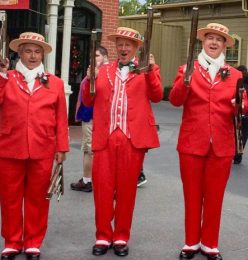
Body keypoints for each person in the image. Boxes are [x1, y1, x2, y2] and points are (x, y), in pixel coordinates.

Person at [0, 32, 69, 260]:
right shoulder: (6, 77)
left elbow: (61, 118)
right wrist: (0, 74)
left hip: (43, 149)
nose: (33, 55)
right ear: (19, 52)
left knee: (39, 198)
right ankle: (12, 241)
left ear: (43, 54)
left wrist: (61, 148)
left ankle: (33, 242)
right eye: (28, 50)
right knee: (9, 198)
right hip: (10, 148)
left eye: (37, 51)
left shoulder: (56, 83)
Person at [169, 23, 248, 260]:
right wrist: (184, 81)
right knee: (192, 195)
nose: (214, 43)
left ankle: (210, 244)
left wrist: (239, 105)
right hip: (192, 142)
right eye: (210, 38)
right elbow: (174, 100)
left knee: (215, 196)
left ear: (225, 44)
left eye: (219, 39)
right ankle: (191, 242)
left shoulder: (235, 74)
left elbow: (243, 104)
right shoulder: (188, 69)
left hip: (222, 144)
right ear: (202, 42)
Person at [82, 27, 163, 257]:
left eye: (128, 44)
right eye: (120, 44)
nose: (123, 48)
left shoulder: (144, 69)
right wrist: (90, 78)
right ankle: (102, 236)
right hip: (105, 137)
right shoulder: (104, 70)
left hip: (132, 138)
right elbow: (88, 100)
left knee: (127, 192)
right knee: (103, 190)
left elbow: (157, 95)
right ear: (115, 47)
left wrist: (152, 70)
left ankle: (120, 237)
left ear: (136, 48)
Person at [70, 46, 108, 192]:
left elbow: (93, 95)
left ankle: (88, 181)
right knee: (90, 149)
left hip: (94, 116)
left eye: (97, 56)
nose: (94, 59)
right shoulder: (92, 71)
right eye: (92, 56)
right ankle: (91, 179)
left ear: (105, 57)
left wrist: (91, 78)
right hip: (90, 115)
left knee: (90, 149)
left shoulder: (106, 73)